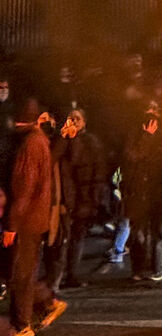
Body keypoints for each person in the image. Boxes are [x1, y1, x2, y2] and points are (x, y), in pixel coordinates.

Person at [2, 101, 67, 336]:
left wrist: (12, 224)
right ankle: (40, 308)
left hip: (26, 220)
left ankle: (19, 335)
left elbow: (24, 186)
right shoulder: (35, 141)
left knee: (21, 272)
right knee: (20, 271)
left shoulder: (29, 144)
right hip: (30, 218)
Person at [44, 109, 107, 289]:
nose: (74, 122)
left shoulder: (91, 143)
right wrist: (65, 139)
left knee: (76, 238)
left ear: (84, 122)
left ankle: (71, 274)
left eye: (77, 119)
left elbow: (93, 169)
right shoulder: (59, 141)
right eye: (71, 118)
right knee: (60, 240)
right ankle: (55, 278)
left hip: (83, 197)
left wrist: (94, 198)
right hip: (64, 198)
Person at [121, 111, 162, 282]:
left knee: (160, 232)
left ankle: (159, 267)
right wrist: (146, 137)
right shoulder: (135, 138)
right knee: (139, 234)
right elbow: (132, 156)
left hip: (158, 191)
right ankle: (140, 269)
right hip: (139, 192)